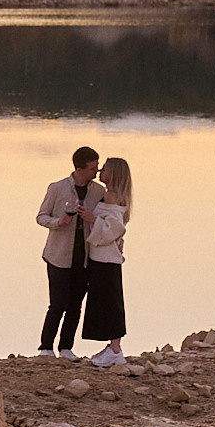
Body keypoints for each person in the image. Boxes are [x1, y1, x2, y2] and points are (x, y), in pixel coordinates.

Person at [35, 146, 101, 359]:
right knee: (58, 303)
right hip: (58, 255)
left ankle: (66, 348)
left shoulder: (99, 192)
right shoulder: (57, 188)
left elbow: (109, 219)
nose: (97, 171)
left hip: (84, 257)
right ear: (80, 169)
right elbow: (41, 216)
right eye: (93, 168)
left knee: (76, 305)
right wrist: (59, 222)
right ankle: (46, 347)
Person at [81, 156, 132, 366]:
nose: (101, 171)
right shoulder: (112, 195)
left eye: (105, 169)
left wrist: (92, 219)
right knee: (106, 300)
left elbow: (115, 227)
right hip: (103, 257)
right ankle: (112, 347)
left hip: (106, 259)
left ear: (114, 173)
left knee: (110, 301)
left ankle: (115, 349)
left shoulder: (111, 196)